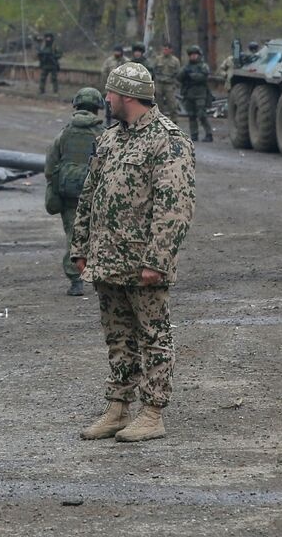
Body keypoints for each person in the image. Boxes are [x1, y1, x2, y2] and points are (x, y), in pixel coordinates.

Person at [70, 62, 195, 443]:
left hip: (143, 262)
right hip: (107, 259)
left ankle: (153, 412)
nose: (105, 99)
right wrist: (80, 245)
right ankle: (117, 407)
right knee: (118, 336)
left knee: (154, 335)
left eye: (110, 93)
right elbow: (89, 195)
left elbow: (175, 207)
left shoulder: (167, 140)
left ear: (126, 96)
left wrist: (157, 260)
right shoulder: (109, 139)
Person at [44, 88, 106, 297]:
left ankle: (75, 281)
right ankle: (104, 278)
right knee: (101, 235)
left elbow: (50, 165)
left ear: (76, 105)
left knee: (73, 235)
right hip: (97, 194)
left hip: (69, 194)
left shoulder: (64, 133)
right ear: (97, 108)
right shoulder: (104, 133)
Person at [178, 45, 215, 142]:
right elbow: (179, 77)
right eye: (191, 55)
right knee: (191, 115)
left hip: (200, 94)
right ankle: (194, 134)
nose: (193, 57)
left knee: (202, 114)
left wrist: (191, 75)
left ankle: (209, 134)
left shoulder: (203, 66)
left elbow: (203, 77)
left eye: (195, 55)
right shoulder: (186, 67)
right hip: (189, 94)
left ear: (198, 55)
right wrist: (184, 73)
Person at [153, 43, 182, 121]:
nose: (165, 51)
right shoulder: (158, 59)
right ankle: (159, 121)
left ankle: (174, 121)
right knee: (159, 105)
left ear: (170, 50)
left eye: (166, 49)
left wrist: (176, 83)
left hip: (170, 85)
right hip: (159, 84)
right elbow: (154, 70)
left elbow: (178, 73)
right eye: (164, 49)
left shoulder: (175, 61)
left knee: (172, 105)